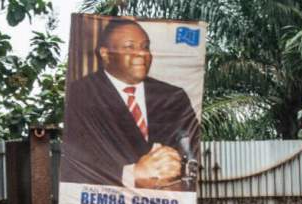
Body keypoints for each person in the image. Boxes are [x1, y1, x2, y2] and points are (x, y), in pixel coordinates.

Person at [60, 19, 200, 191]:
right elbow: (76, 160)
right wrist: (133, 174)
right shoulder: (81, 94)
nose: (141, 54)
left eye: (145, 47)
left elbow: (192, 151)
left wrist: (174, 165)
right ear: (105, 53)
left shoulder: (174, 97)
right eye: (129, 47)